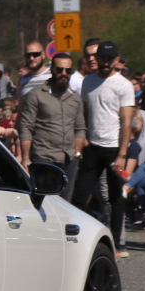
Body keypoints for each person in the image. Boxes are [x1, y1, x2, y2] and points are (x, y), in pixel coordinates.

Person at [73, 41, 136, 256]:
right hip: (92, 146)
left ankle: (118, 244)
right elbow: (84, 113)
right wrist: (81, 138)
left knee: (115, 197)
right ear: (97, 59)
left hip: (113, 148)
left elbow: (126, 121)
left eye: (110, 59)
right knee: (80, 196)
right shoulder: (88, 82)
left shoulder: (123, 85)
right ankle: (78, 242)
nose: (106, 62)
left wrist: (122, 154)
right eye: (103, 58)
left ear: (116, 60)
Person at [17, 54, 86, 200]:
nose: (64, 74)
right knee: (46, 202)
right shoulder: (36, 95)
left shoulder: (75, 98)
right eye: (59, 70)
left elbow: (80, 128)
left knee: (66, 204)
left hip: (69, 159)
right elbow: (26, 127)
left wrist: (77, 154)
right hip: (44, 157)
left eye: (68, 71)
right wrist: (25, 158)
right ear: (52, 70)